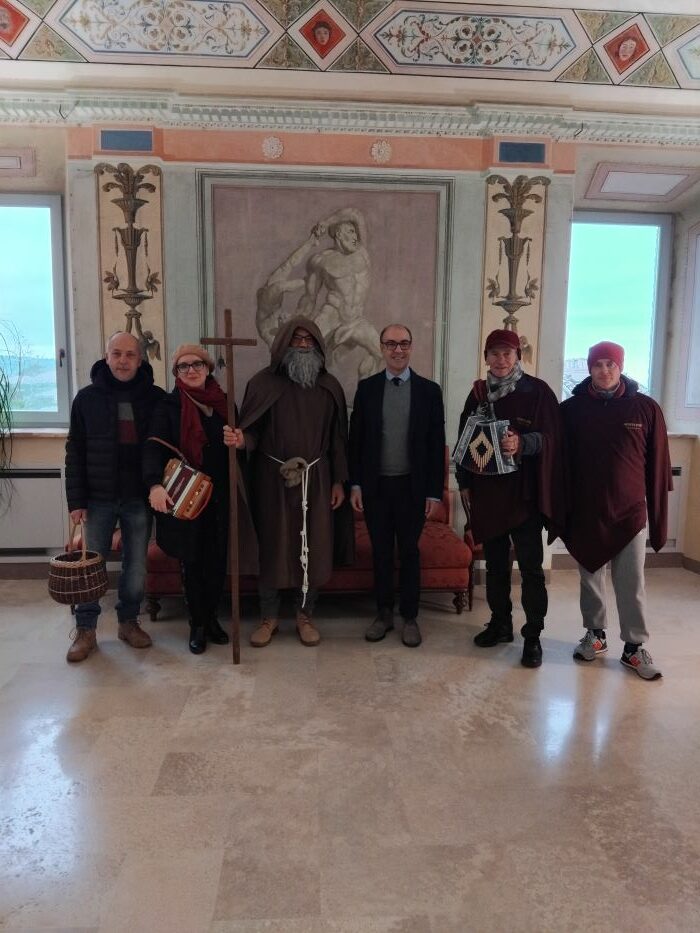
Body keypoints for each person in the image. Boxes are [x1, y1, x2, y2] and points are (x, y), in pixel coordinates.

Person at [225, 317, 353, 647]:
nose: (303, 345)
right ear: (283, 344)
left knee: (312, 547)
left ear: (319, 345)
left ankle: (304, 615)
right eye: (296, 339)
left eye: (309, 340)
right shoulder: (262, 384)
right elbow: (252, 432)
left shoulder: (330, 387)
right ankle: (268, 617)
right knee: (272, 546)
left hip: (317, 480)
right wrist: (241, 440)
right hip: (272, 481)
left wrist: (339, 481)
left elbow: (338, 440)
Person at [561, 341, 672, 681]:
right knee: (590, 578)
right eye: (598, 364)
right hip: (586, 512)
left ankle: (633, 647)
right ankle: (595, 635)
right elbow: (558, 461)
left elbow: (658, 464)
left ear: (621, 367)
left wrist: (657, 510)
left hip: (629, 513)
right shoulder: (572, 410)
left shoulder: (645, 409)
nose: (604, 370)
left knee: (631, 582)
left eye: (610, 364)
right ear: (590, 368)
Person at [456, 329, 564, 668]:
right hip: (488, 494)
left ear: (518, 356)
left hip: (524, 496)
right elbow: (463, 441)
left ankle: (532, 636)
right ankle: (500, 623)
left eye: (507, 353)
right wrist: (463, 482)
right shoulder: (478, 393)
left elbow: (553, 438)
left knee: (530, 569)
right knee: (496, 565)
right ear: (486, 357)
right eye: (495, 353)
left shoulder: (538, 392)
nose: (501, 360)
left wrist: (523, 444)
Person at [64, 331, 166, 662]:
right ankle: (85, 630)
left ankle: (128, 622)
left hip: (138, 497)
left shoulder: (155, 398)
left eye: (130, 355)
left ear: (140, 359)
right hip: (98, 498)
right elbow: (75, 451)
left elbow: (163, 447)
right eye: (117, 354)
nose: (123, 361)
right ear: (106, 357)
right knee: (90, 567)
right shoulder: (86, 399)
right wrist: (76, 501)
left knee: (135, 567)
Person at [348, 323, 445, 647]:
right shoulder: (367, 389)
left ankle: (410, 616)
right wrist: (356, 485)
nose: (397, 349)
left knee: (409, 551)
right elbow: (356, 441)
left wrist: (434, 492)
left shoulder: (429, 391)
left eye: (403, 343)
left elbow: (436, 444)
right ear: (382, 348)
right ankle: (384, 613)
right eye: (391, 344)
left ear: (411, 347)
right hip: (375, 488)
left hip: (412, 489)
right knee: (381, 553)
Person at [143, 344, 234, 655]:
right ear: (176, 372)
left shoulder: (224, 404)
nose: (191, 370)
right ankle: (197, 623)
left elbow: (242, 446)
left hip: (219, 496)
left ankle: (211, 619)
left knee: (217, 561)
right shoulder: (168, 406)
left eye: (197, 364)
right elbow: (153, 447)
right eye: (184, 366)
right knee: (192, 561)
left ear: (208, 369)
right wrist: (154, 485)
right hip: (184, 498)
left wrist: (239, 442)